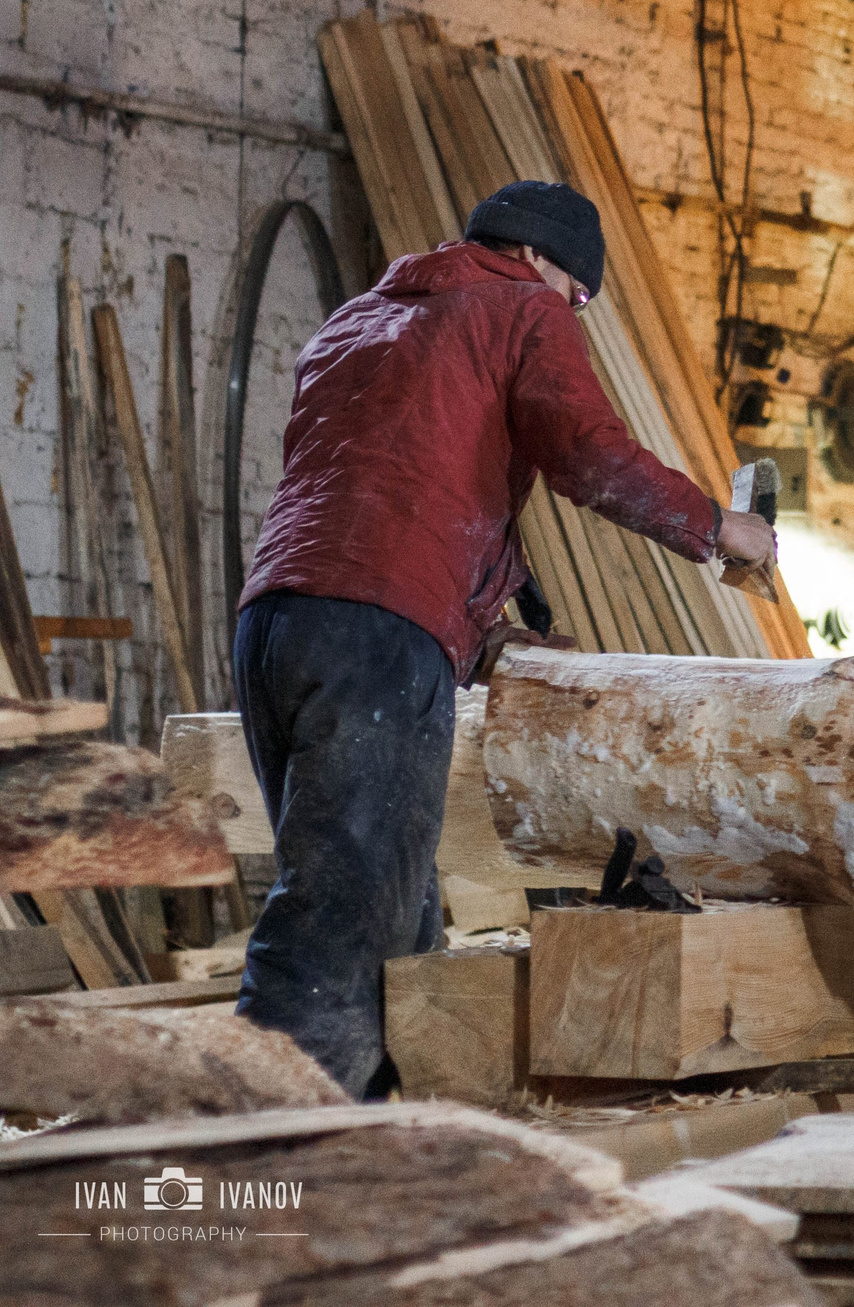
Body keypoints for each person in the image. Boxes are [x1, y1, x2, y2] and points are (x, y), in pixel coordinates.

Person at [233, 180, 776, 1095]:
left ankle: (384, 1149)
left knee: (390, 907)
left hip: (274, 620)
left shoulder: (356, 322)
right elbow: (589, 455)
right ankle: (253, 1161)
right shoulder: (523, 308)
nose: (574, 315)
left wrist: (495, 622)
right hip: (379, 630)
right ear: (540, 260)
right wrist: (719, 528)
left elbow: (395, 485)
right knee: (337, 922)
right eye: (579, 297)